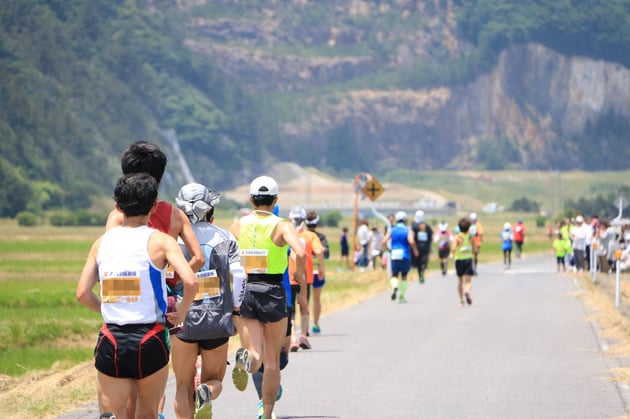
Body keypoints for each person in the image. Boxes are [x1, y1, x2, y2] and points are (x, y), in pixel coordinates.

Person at [76, 173, 197, 419]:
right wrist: (181, 312)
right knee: (148, 413)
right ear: (154, 206)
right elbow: (191, 280)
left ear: (117, 206)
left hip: (112, 337)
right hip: (150, 336)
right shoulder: (161, 241)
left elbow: (81, 293)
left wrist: (107, 309)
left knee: (112, 412)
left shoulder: (101, 242)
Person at [105, 140, 204, 418]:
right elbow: (197, 258)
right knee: (155, 366)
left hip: (122, 305)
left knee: (126, 381)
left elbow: (109, 258)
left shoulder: (116, 216)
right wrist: (170, 277)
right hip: (164, 303)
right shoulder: (174, 214)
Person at [229, 175, 307, 419]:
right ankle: (266, 412)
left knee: (255, 353)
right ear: (275, 200)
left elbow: (226, 256)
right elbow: (301, 252)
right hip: (272, 290)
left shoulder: (238, 225)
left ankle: (245, 358)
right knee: (272, 360)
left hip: (247, 290)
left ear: (251, 199)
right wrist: (301, 275)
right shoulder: (282, 225)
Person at [170, 183, 247, 419]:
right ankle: (206, 391)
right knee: (215, 380)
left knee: (182, 385)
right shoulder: (226, 237)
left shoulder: (171, 240)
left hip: (182, 318)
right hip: (217, 318)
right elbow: (240, 276)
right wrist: (235, 311)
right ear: (209, 208)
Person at [287, 207, 325, 351]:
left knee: (289, 310)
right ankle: (303, 334)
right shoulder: (310, 236)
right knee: (304, 305)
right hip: (304, 276)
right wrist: (321, 267)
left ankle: (293, 339)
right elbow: (320, 251)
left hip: (290, 275)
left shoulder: (287, 234)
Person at [381, 211, 418, 303]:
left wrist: (388, 249)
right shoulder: (408, 230)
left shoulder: (392, 229)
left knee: (394, 275)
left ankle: (394, 286)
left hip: (394, 254)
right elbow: (411, 241)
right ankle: (401, 296)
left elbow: (383, 241)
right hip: (405, 254)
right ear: (405, 220)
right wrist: (415, 250)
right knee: (404, 276)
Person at [305, 211, 328, 334]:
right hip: (317, 269)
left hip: (304, 270)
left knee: (305, 299)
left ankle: (305, 327)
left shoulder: (301, 235)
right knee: (316, 299)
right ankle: (315, 324)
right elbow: (326, 252)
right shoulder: (321, 237)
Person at [451, 217, 475, 307]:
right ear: (469, 228)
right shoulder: (470, 237)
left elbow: (453, 248)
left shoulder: (457, 237)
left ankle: (461, 301)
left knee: (460, 281)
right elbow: (475, 249)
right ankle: (467, 291)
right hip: (468, 259)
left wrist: (453, 255)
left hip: (459, 260)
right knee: (468, 282)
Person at [410, 210, 433, 284]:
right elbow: (431, 236)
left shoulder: (414, 226)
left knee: (418, 262)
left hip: (417, 247)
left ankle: (420, 274)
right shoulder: (427, 226)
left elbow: (411, 237)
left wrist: (413, 248)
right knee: (424, 261)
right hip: (425, 247)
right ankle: (423, 270)